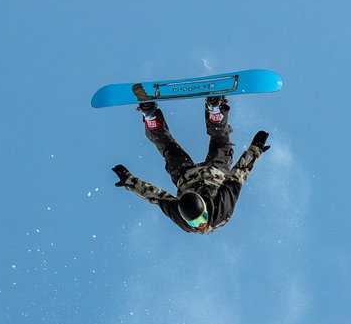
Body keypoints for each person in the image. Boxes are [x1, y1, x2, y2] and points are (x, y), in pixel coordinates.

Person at [111, 96, 270, 234]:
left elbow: (157, 197)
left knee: (169, 148)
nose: (200, 225)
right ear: (207, 211)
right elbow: (238, 176)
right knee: (221, 142)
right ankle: (215, 110)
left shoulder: (181, 219)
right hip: (215, 174)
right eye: (201, 220)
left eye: (194, 222)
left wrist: (130, 181)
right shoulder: (221, 210)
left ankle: (151, 117)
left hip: (186, 177)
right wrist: (255, 149)